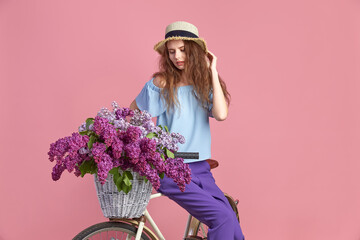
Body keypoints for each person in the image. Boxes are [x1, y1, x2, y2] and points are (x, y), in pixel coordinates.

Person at [130, 21, 245, 240]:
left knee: (231, 222)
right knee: (222, 218)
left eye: (182, 50)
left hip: (201, 168)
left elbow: (221, 114)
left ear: (193, 51)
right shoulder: (162, 83)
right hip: (172, 169)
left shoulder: (204, 84)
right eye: (171, 51)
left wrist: (212, 70)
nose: (176, 56)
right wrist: (146, 148)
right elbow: (132, 113)